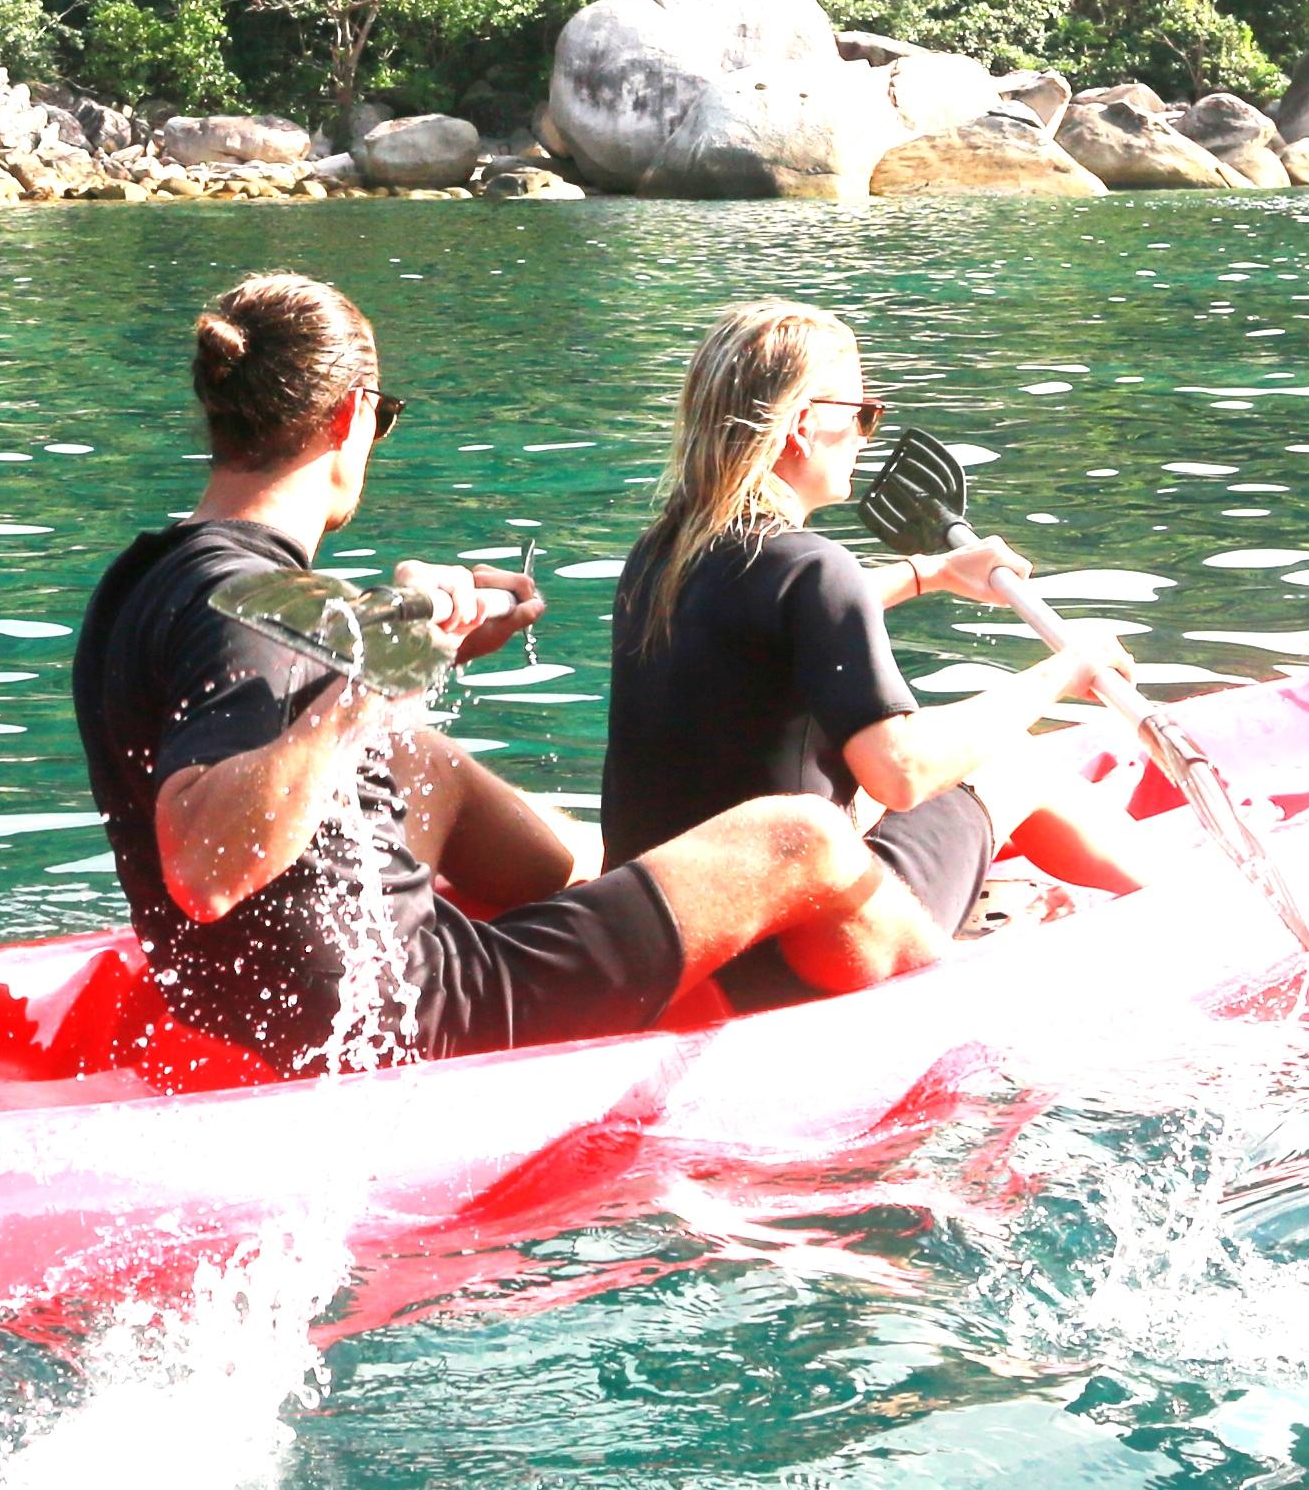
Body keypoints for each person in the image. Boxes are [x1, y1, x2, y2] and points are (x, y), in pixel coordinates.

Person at [72, 273, 954, 1072]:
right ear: (352, 415)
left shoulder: (155, 578)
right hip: (408, 1013)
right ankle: (951, 1010)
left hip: (244, 998)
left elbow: (259, 698)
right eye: (383, 420)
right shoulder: (254, 601)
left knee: (421, 762)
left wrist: (420, 636)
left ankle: (607, 888)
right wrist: (361, 688)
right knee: (805, 837)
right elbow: (206, 867)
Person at [599, 300, 1177, 1004]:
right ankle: (1185, 910)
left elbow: (774, 617)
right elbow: (902, 773)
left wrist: (929, 574)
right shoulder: (813, 568)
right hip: (805, 953)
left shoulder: (662, 553)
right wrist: (1064, 671)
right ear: (806, 426)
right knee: (1013, 755)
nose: (867, 436)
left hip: (681, 931)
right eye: (863, 413)